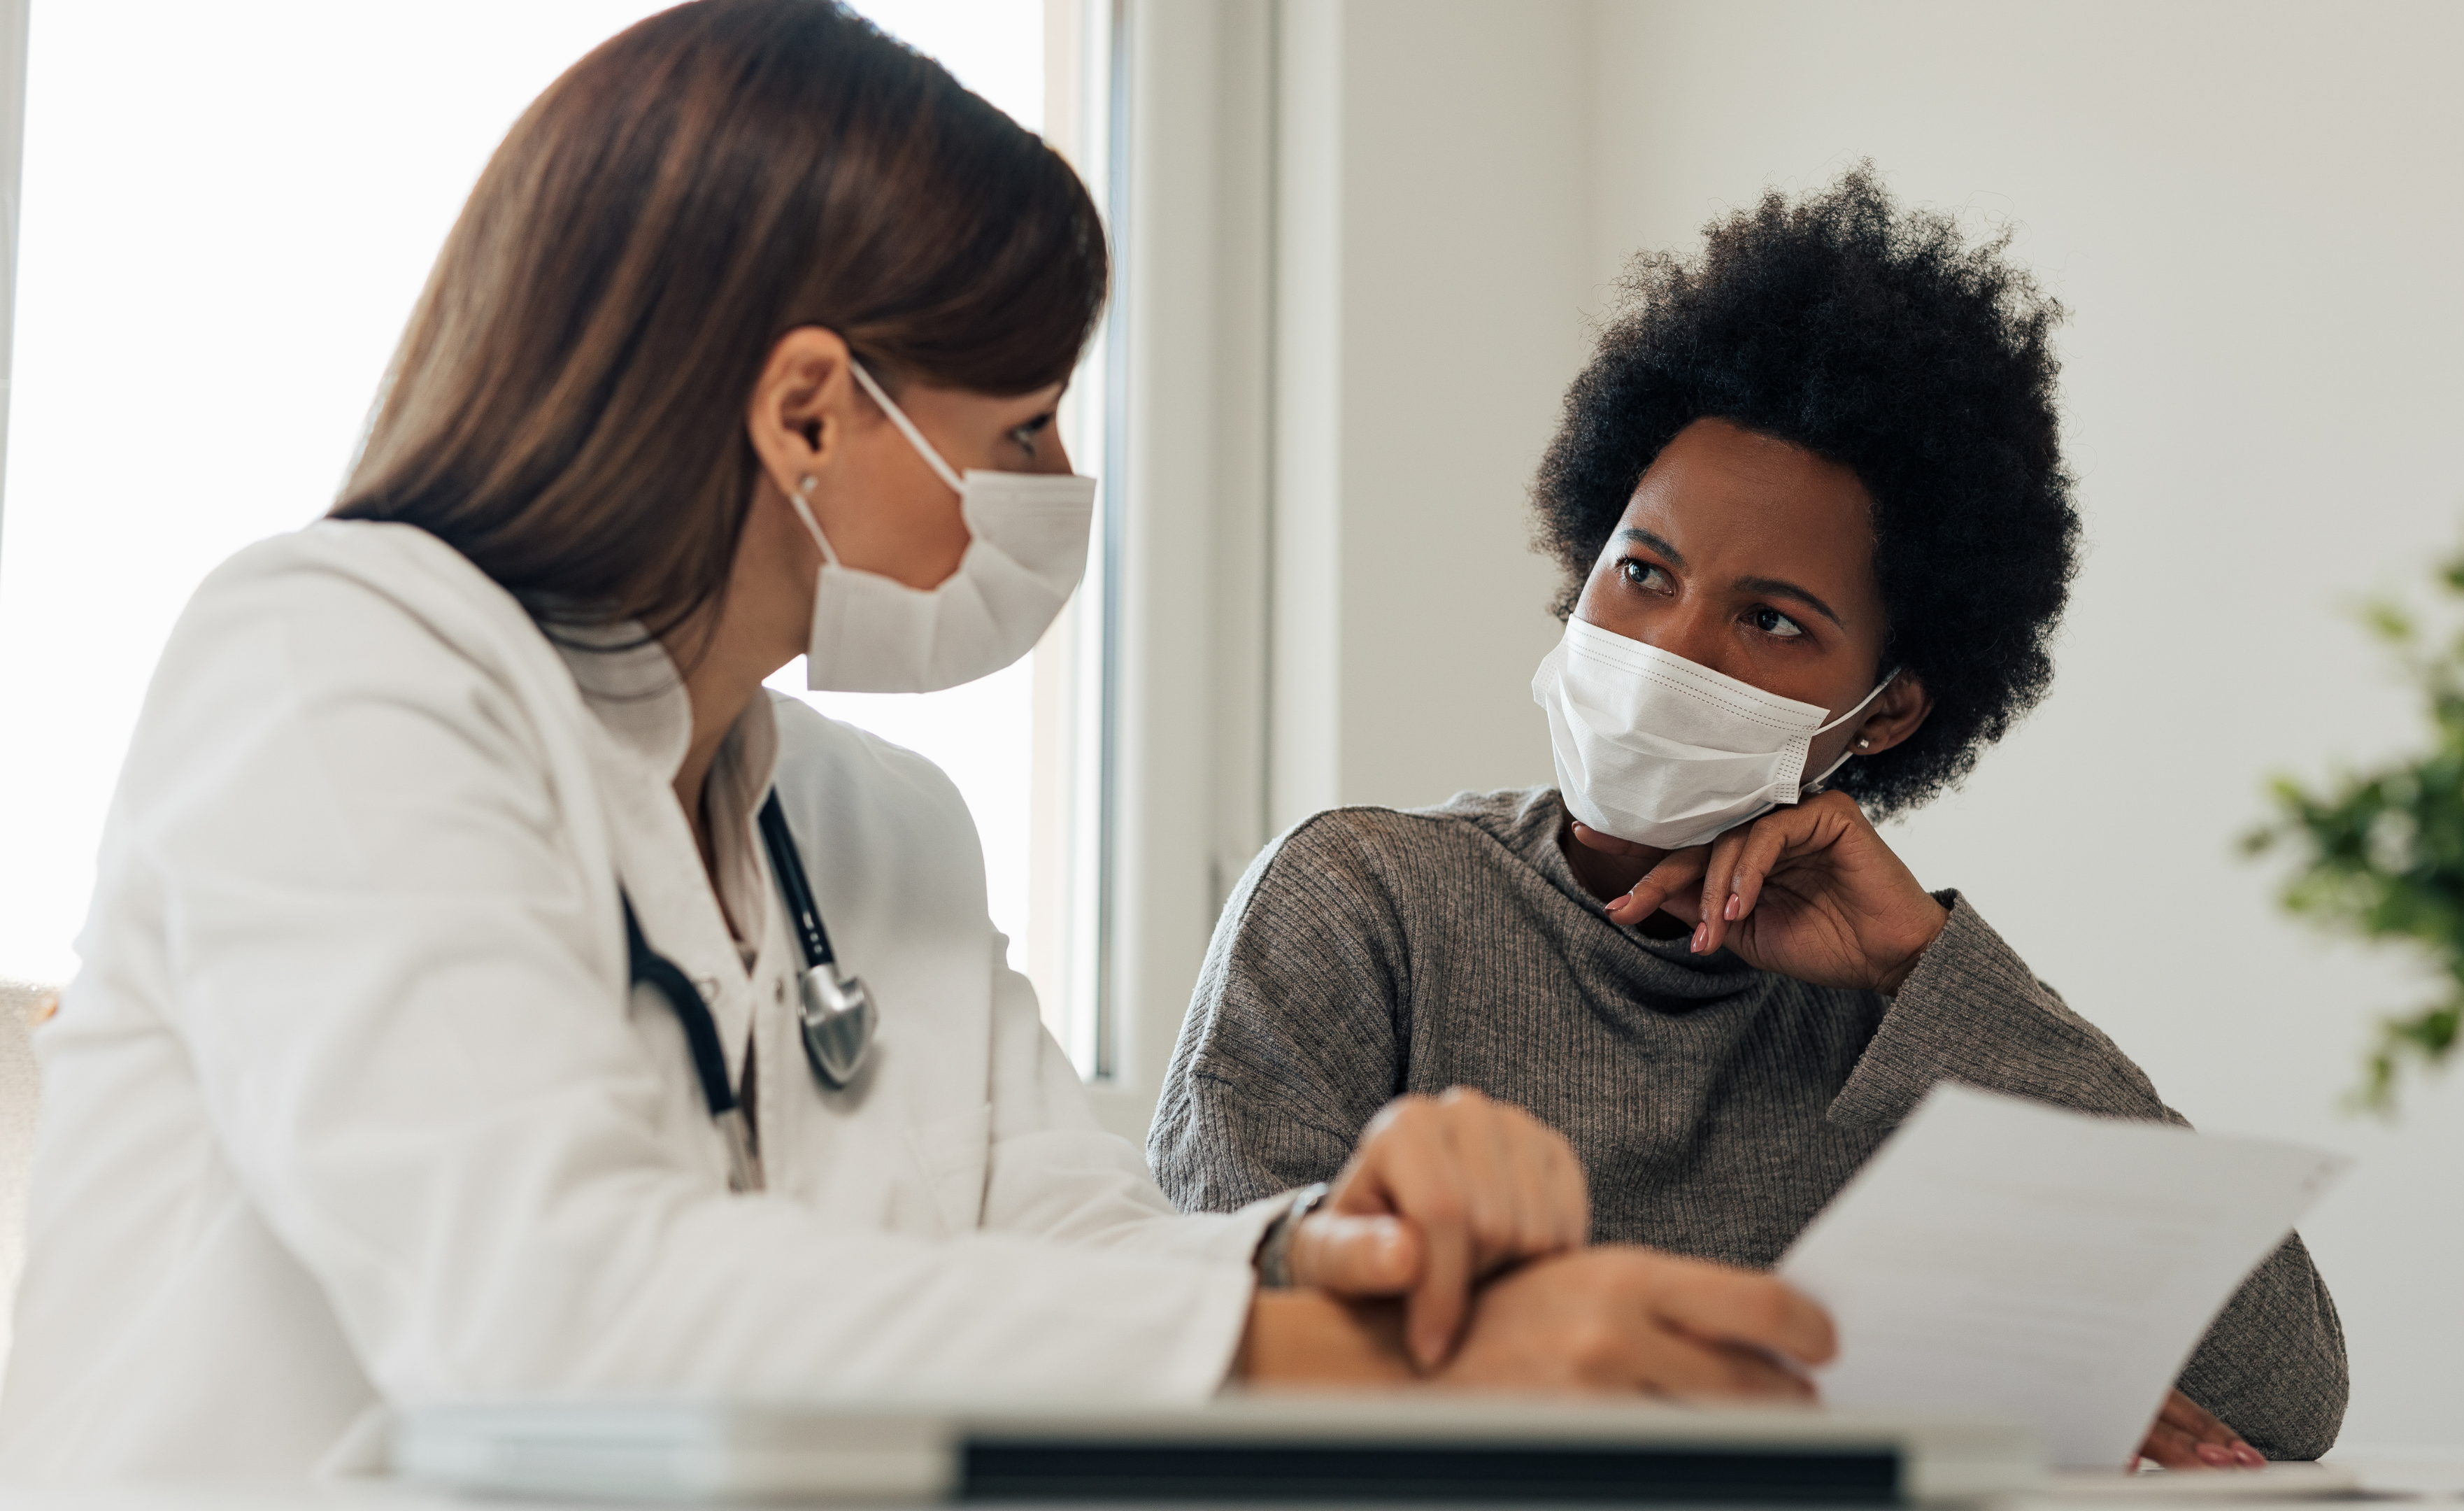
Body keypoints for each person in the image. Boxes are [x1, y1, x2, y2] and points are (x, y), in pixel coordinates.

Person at [0, 3, 1838, 1481]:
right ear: (811, 408)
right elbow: (544, 1305)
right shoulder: (333, 665)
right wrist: (1360, 1370)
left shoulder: (875, 825)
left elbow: (1070, 1238)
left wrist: (1329, 1254)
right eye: (1025, 425)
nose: (1055, 491)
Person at [1149, 170, 2350, 1468]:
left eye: (1772, 620)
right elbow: (1196, 1346)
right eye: (1643, 572)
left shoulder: (1902, 1013)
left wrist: (1926, 974)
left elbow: (2287, 1398)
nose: (1671, 645)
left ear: (1884, 714)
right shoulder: (1363, 902)